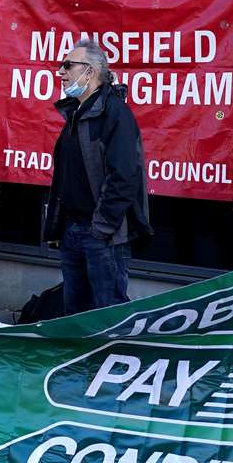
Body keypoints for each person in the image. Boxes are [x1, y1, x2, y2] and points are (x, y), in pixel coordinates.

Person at [44, 38, 151, 314]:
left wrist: (101, 227)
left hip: (102, 236)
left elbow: (125, 176)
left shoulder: (115, 114)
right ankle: (77, 359)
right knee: (75, 316)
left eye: (68, 65)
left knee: (107, 315)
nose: (61, 72)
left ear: (89, 72)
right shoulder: (75, 113)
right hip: (73, 232)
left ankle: (113, 359)